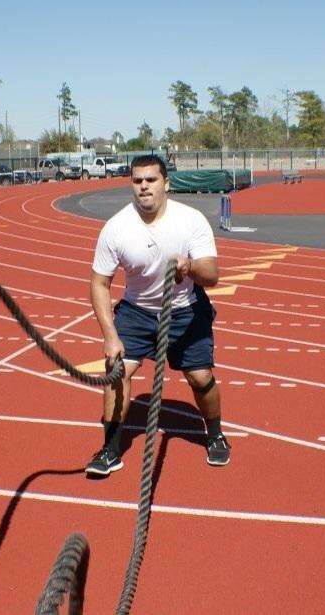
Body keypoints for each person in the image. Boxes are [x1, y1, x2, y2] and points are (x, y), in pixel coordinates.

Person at [85, 154, 230, 477]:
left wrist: (189, 267)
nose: (144, 186)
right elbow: (99, 283)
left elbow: (212, 275)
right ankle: (110, 449)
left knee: (200, 377)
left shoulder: (190, 220)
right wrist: (110, 336)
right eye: (137, 181)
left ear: (166, 182)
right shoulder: (116, 228)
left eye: (151, 180)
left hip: (186, 308)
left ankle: (215, 433)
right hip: (136, 311)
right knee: (116, 370)